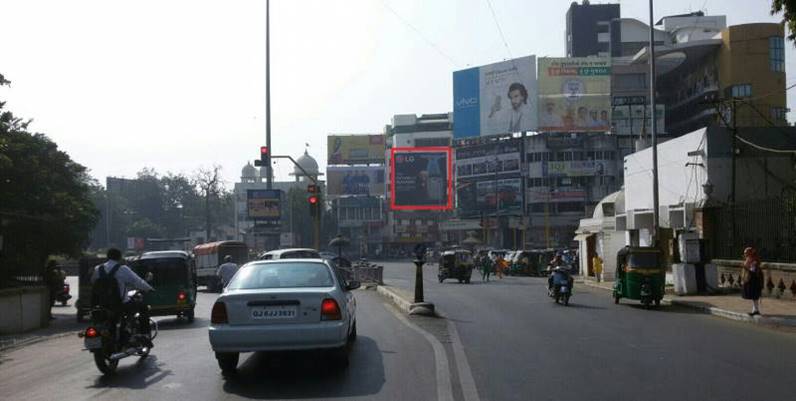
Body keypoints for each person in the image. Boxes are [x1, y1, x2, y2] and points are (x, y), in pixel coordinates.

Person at [91, 248, 154, 347]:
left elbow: (93, 282)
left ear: (107, 257)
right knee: (143, 307)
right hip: (121, 304)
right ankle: (145, 334)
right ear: (120, 257)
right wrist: (149, 288)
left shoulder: (98, 269)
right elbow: (137, 281)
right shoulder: (122, 269)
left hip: (103, 305)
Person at [741, 247, 765, 316]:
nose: (745, 255)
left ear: (749, 253)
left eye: (746, 253)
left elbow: (753, 271)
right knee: (754, 296)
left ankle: (756, 310)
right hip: (752, 280)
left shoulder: (754, 261)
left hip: (755, 280)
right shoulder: (749, 260)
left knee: (755, 295)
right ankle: (755, 310)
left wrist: (746, 268)